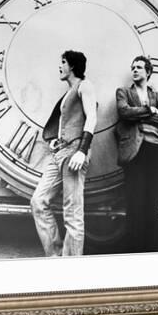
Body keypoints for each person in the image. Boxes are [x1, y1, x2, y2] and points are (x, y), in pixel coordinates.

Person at [30, 50, 97, 257]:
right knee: (38, 201)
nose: (60, 66)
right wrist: (55, 142)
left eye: (63, 62)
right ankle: (56, 256)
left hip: (74, 152)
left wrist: (82, 150)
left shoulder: (85, 86)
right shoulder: (68, 93)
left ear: (73, 66)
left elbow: (92, 117)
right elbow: (65, 122)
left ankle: (71, 268)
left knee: (73, 213)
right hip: (59, 153)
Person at [115, 55, 158, 253]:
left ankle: (152, 248)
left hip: (156, 152)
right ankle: (134, 249)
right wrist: (150, 110)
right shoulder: (123, 92)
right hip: (135, 153)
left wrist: (140, 114)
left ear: (148, 72)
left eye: (139, 67)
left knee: (153, 203)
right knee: (135, 202)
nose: (135, 70)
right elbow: (124, 113)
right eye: (133, 67)